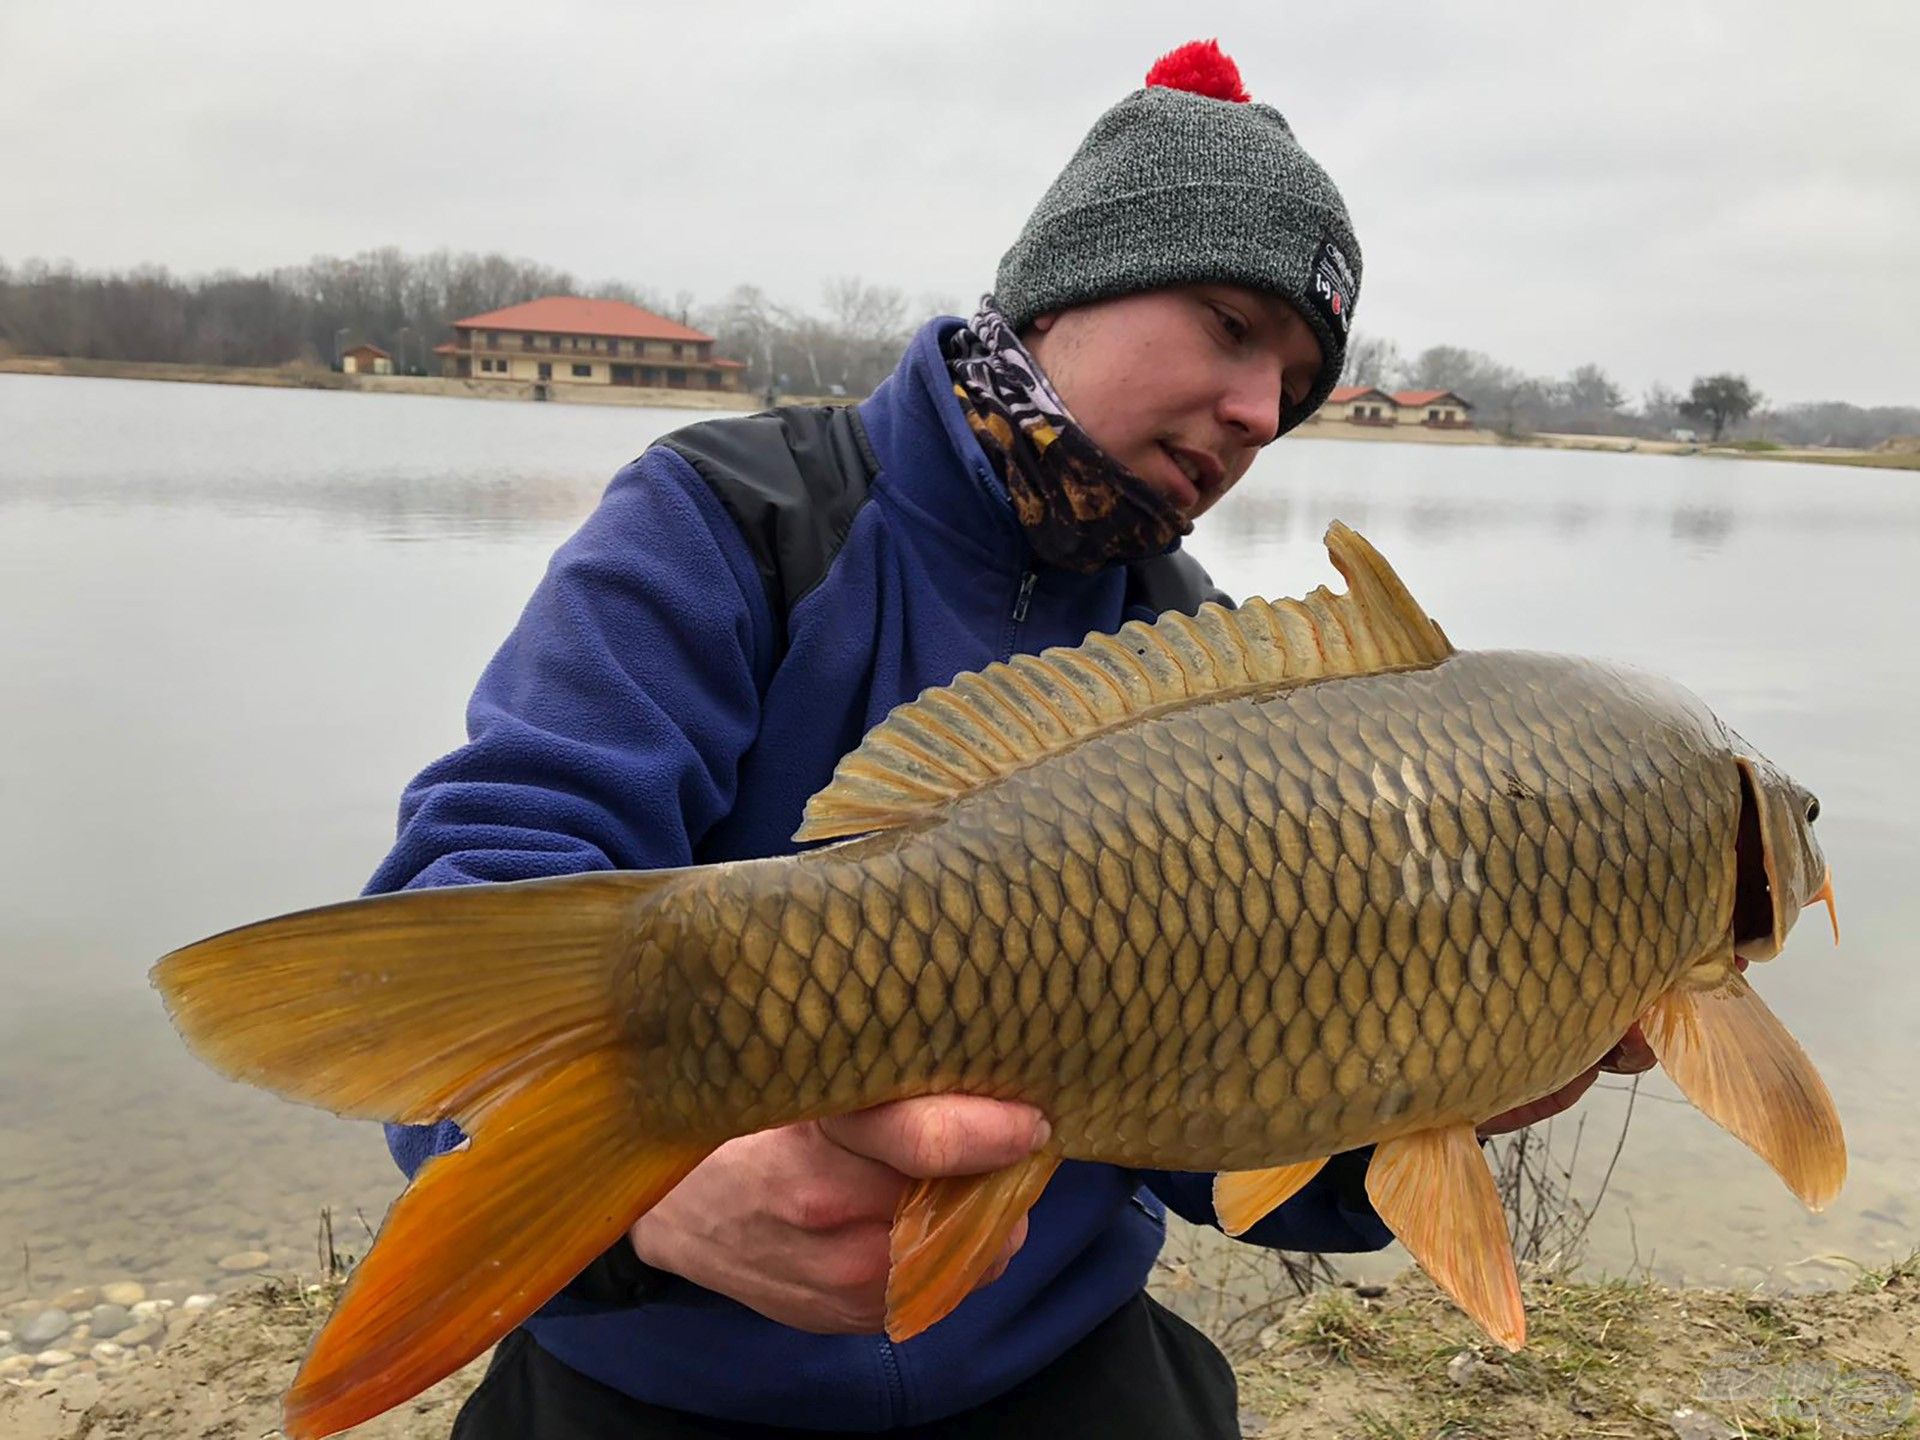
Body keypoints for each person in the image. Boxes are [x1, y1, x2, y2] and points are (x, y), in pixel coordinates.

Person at [368, 39, 1652, 1439]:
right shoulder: (732, 518)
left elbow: (1209, 1134)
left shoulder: (1201, 659)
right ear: (1067, 289)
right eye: (1231, 326)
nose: (1259, 411)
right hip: (661, 1374)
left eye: (1294, 381)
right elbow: (484, 880)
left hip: (1049, 1357)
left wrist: (1444, 1086)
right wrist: (656, 1202)